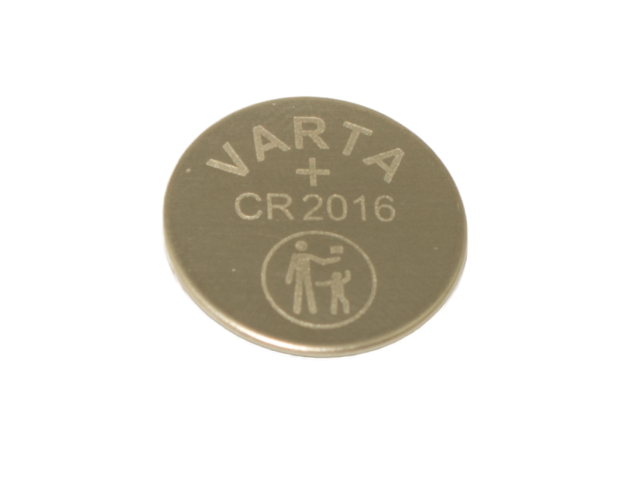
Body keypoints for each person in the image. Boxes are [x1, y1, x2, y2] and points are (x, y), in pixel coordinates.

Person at [285, 241, 340, 314]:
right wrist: (335, 259)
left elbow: (322, 261)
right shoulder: (297, 256)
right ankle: (306, 309)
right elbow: (322, 261)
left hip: (304, 275)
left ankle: (301, 309)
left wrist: (289, 278)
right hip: (303, 275)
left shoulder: (298, 256)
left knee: (301, 289)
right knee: (306, 290)